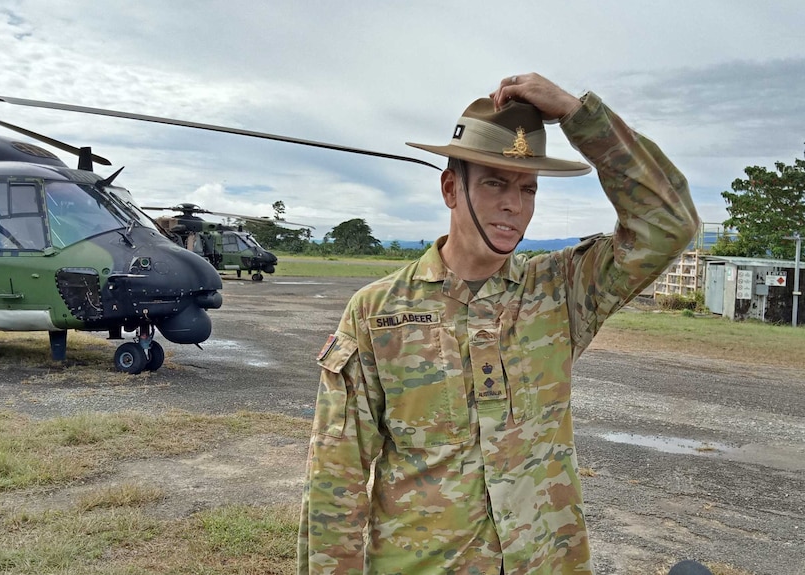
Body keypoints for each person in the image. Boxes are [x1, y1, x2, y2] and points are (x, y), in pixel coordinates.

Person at [298, 73, 700, 574]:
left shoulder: (560, 290)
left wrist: (580, 116)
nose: (515, 204)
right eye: (494, 183)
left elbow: (669, 225)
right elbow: (337, 473)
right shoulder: (378, 311)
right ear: (451, 188)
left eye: (527, 188)